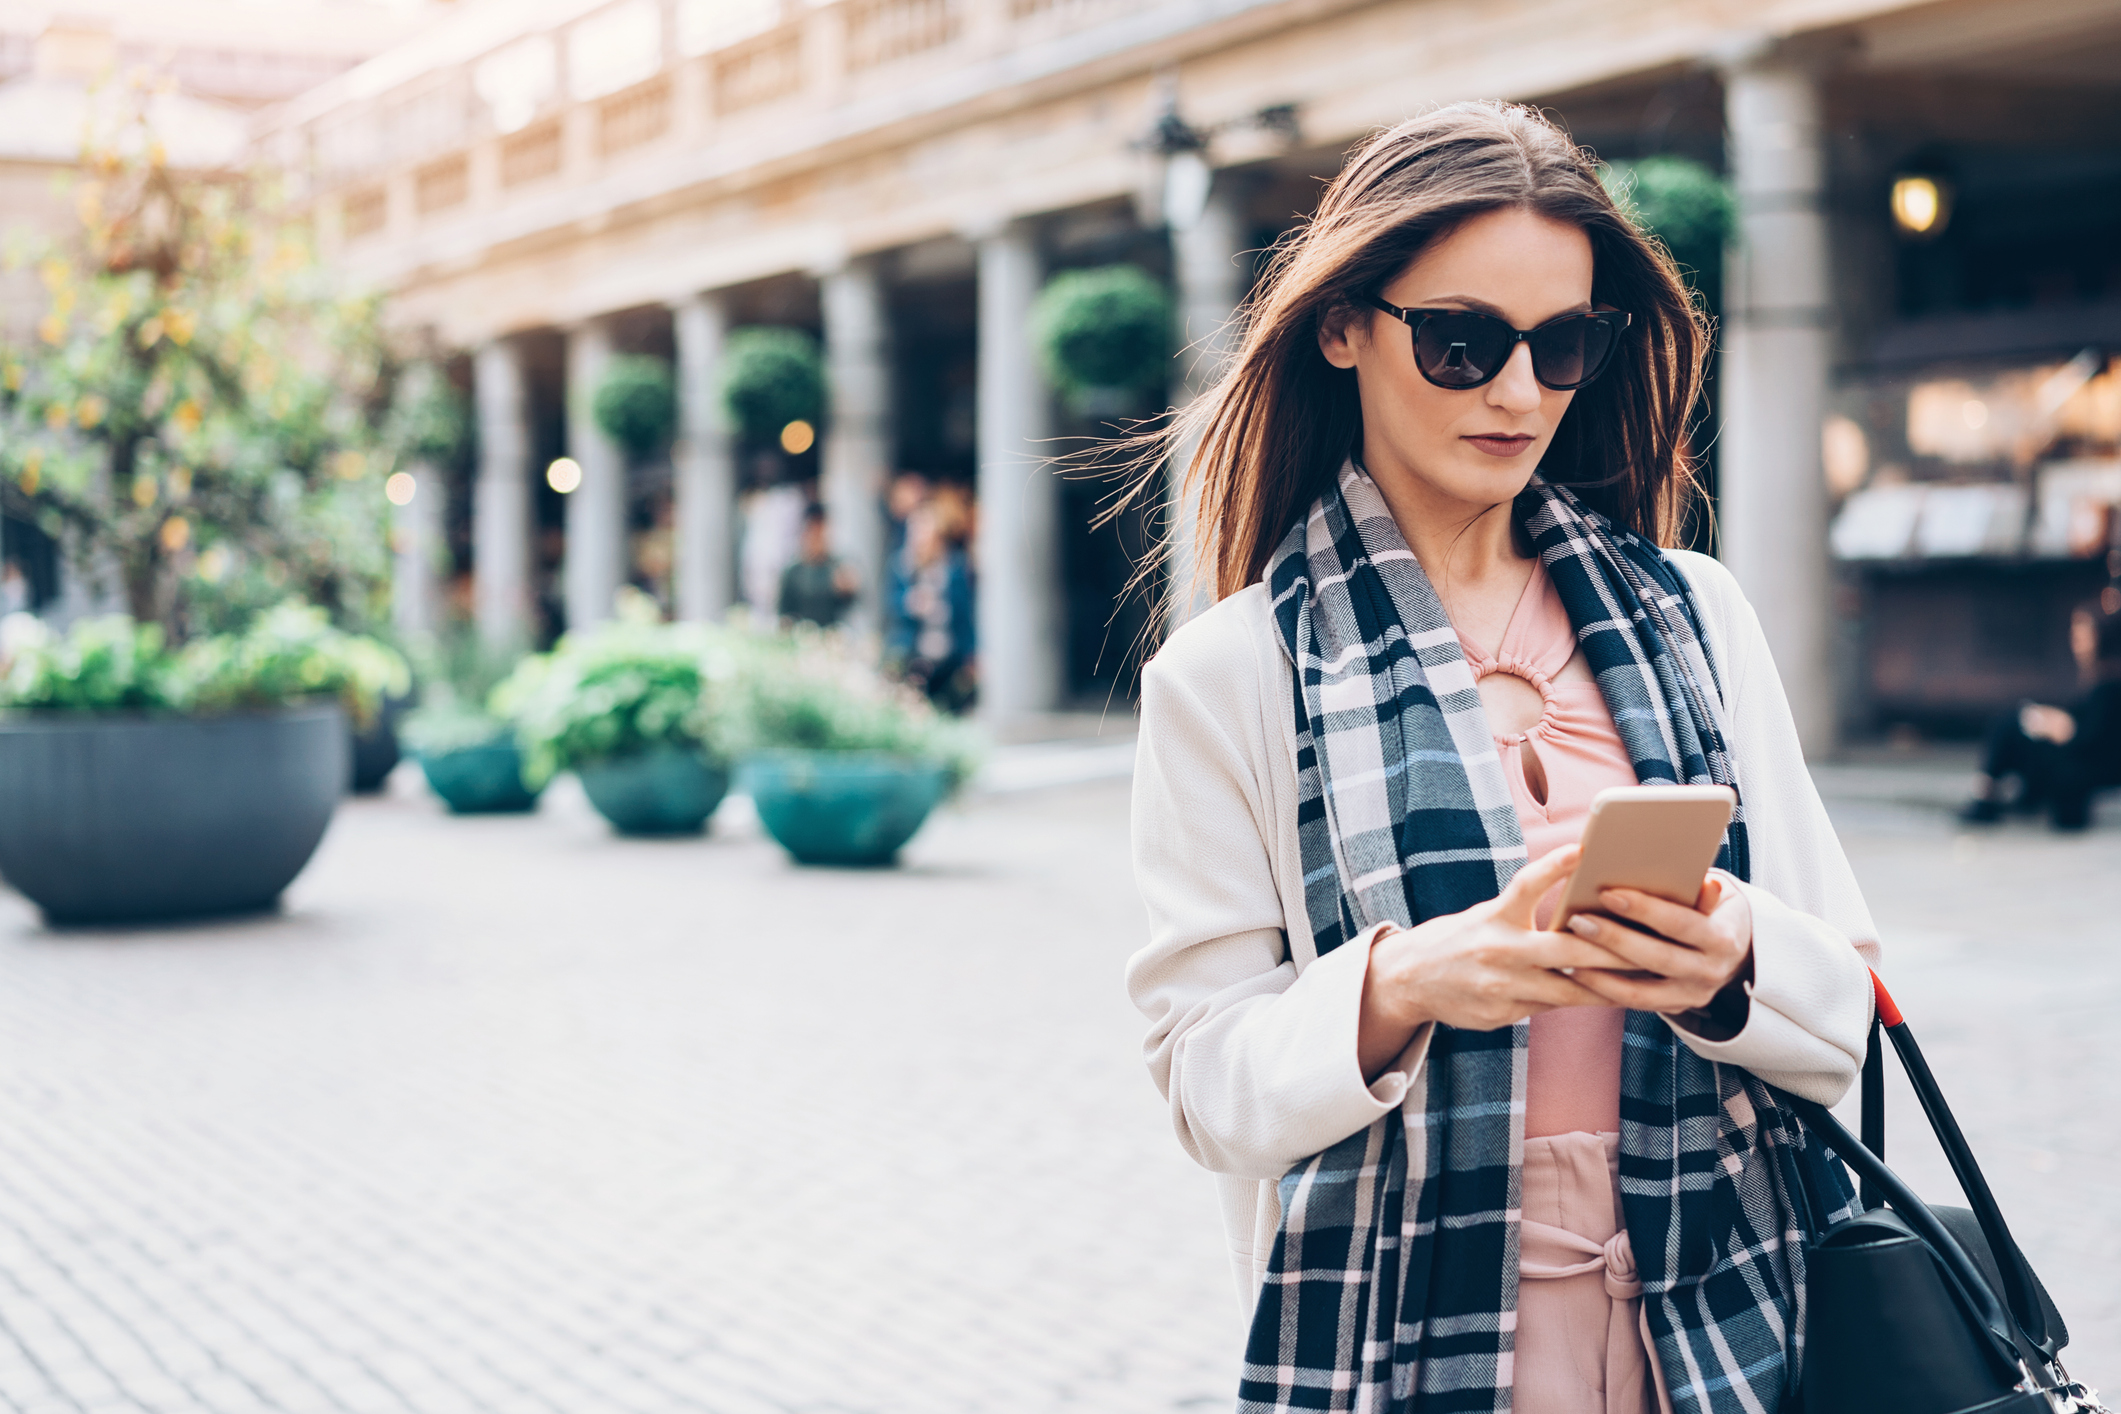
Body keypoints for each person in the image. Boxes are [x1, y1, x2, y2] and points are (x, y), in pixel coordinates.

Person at [1125, 103, 1878, 1414]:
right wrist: (1406, 979)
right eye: (1464, 342)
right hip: (1407, 1336)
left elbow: (1851, 1004)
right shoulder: (1230, 673)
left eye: (1564, 344)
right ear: (1344, 323)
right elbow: (1205, 1087)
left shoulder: (1691, 613)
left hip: (1730, 1318)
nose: (1519, 393)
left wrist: (1733, 956)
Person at [1961, 601, 2121, 830]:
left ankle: (1986, 799)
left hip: (2088, 768)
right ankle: (1987, 797)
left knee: (2009, 726)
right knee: (2011, 722)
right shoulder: (2093, 676)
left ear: (2100, 636)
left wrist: (2062, 728)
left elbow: (2094, 739)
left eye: (2082, 632)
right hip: (2080, 761)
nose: (2074, 638)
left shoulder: (2109, 684)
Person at [896, 495, 975, 712]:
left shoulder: (954, 568)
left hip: (950, 657)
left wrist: (973, 653)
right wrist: (910, 603)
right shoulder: (903, 567)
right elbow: (892, 607)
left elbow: (965, 615)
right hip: (914, 657)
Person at [776, 503, 859, 628]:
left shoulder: (837, 568)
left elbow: (849, 605)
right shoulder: (793, 573)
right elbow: (784, 616)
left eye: (821, 532)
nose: (818, 538)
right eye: (813, 532)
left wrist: (848, 591)